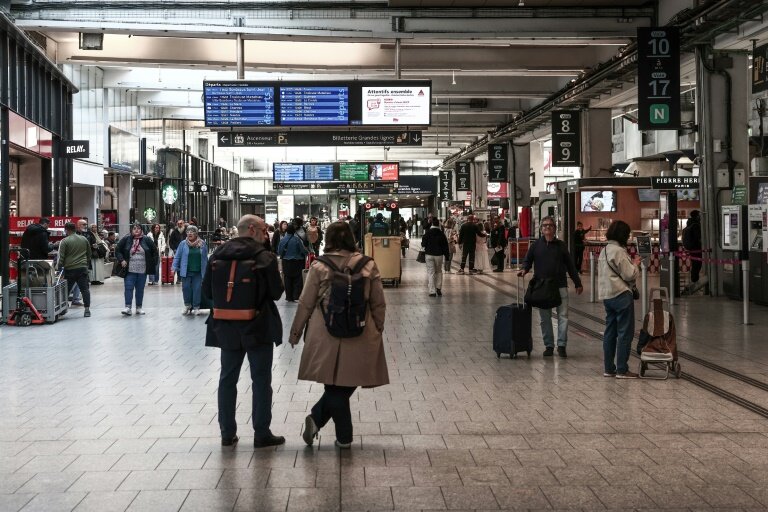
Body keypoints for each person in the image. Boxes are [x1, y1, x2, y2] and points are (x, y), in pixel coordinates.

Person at [288, 221, 389, 449]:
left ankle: (326, 424)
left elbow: (305, 303)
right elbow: (378, 302)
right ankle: (337, 432)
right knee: (346, 381)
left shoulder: (319, 266)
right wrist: (378, 327)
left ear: (329, 239)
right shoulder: (368, 265)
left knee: (333, 382)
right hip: (360, 329)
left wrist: (296, 333)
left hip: (325, 331)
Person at [203, 214, 285, 448]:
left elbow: (207, 291)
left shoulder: (217, 255)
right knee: (261, 379)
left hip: (226, 326)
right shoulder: (264, 257)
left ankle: (227, 433)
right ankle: (261, 433)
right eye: (263, 230)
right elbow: (277, 293)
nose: (266, 234)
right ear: (252, 229)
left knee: (227, 378)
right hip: (258, 326)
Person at [518, 216, 583, 358]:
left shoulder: (561, 245)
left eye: (550, 225)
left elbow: (570, 266)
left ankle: (561, 345)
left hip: (560, 285)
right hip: (542, 287)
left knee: (563, 316)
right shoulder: (536, 246)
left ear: (554, 228)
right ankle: (548, 345)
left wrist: (577, 282)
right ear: (541, 229)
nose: (547, 227)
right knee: (545, 318)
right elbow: (528, 260)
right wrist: (524, 269)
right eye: (545, 225)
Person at [598, 220, 640, 379]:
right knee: (624, 333)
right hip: (621, 295)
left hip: (607, 296)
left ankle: (609, 368)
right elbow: (629, 274)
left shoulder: (605, 250)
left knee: (610, 332)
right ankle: (622, 369)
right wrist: (635, 264)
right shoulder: (619, 251)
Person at [116, 223, 158, 316]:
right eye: (134, 228)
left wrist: (152, 264)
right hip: (129, 270)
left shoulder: (147, 239)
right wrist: (121, 260)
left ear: (142, 230)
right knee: (128, 288)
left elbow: (155, 251)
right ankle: (128, 307)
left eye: (138, 228)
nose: (136, 230)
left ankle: (139, 307)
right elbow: (118, 250)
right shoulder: (126, 239)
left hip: (142, 270)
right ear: (131, 230)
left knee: (140, 289)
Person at [57, 222, 92, 318]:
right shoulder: (84, 239)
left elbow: (61, 257)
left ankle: (63, 309)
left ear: (66, 230)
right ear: (75, 228)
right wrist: (85, 264)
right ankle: (87, 310)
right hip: (82, 268)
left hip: (70, 269)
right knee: (85, 289)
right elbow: (89, 254)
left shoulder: (64, 241)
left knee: (66, 290)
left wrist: (59, 268)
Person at [173, 225, 209, 316]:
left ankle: (196, 307)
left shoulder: (202, 244)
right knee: (186, 289)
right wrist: (174, 267)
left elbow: (205, 258)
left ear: (196, 233)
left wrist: (208, 270)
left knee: (197, 289)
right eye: (188, 231)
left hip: (198, 271)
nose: (189, 233)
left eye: (192, 231)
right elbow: (177, 256)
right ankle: (187, 305)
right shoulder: (183, 244)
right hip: (186, 271)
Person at [278, 224, 308, 302]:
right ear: (294, 231)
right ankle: (295, 296)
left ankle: (288, 296)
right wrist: (307, 252)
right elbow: (303, 250)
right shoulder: (297, 240)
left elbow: (279, 251)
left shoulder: (282, 240)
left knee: (287, 279)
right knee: (297, 279)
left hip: (286, 262)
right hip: (297, 262)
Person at [421, 217, 450, 297]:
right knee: (439, 271)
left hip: (429, 255)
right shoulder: (441, 234)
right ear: (439, 225)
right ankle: (438, 288)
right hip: (439, 255)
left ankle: (432, 291)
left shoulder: (427, 233)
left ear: (432, 224)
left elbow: (423, 244)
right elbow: (445, 247)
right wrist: (447, 257)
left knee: (431, 272)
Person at [682, 210, 702, 283]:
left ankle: (694, 280)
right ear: (697, 216)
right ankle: (695, 281)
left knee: (694, 264)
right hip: (697, 248)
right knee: (697, 265)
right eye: (699, 215)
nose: (700, 217)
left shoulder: (689, 223)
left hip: (692, 249)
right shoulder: (696, 225)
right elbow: (698, 237)